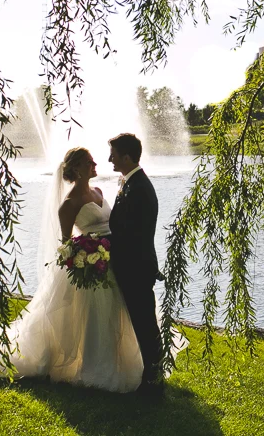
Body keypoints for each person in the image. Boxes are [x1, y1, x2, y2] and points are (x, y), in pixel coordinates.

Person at [0, 147, 145, 392]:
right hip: (88, 266)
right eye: (89, 161)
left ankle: (119, 360)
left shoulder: (98, 192)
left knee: (113, 314)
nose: (95, 163)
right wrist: (86, 255)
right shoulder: (68, 204)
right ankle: (91, 367)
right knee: (91, 316)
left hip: (109, 262)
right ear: (77, 168)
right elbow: (66, 243)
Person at [107, 133, 166, 396]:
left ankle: (153, 379)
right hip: (132, 265)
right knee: (143, 322)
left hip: (136, 267)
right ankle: (152, 374)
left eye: (114, 155)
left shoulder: (139, 188)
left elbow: (132, 233)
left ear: (127, 157)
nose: (110, 159)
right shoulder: (130, 183)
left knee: (145, 323)